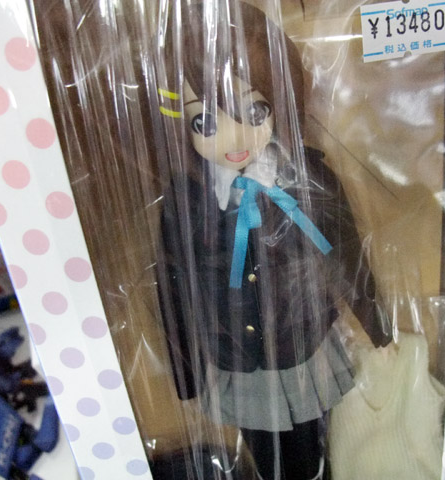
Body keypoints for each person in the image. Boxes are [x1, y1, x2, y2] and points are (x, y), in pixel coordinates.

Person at [156, 2, 392, 479]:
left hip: (306, 347)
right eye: (205, 123)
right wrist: (186, 374)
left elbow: (347, 255)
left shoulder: (309, 180)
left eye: (254, 110)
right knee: (265, 453)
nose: (234, 137)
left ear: (281, 103)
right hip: (238, 362)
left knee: (318, 443)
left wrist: (379, 329)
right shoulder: (186, 204)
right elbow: (174, 291)